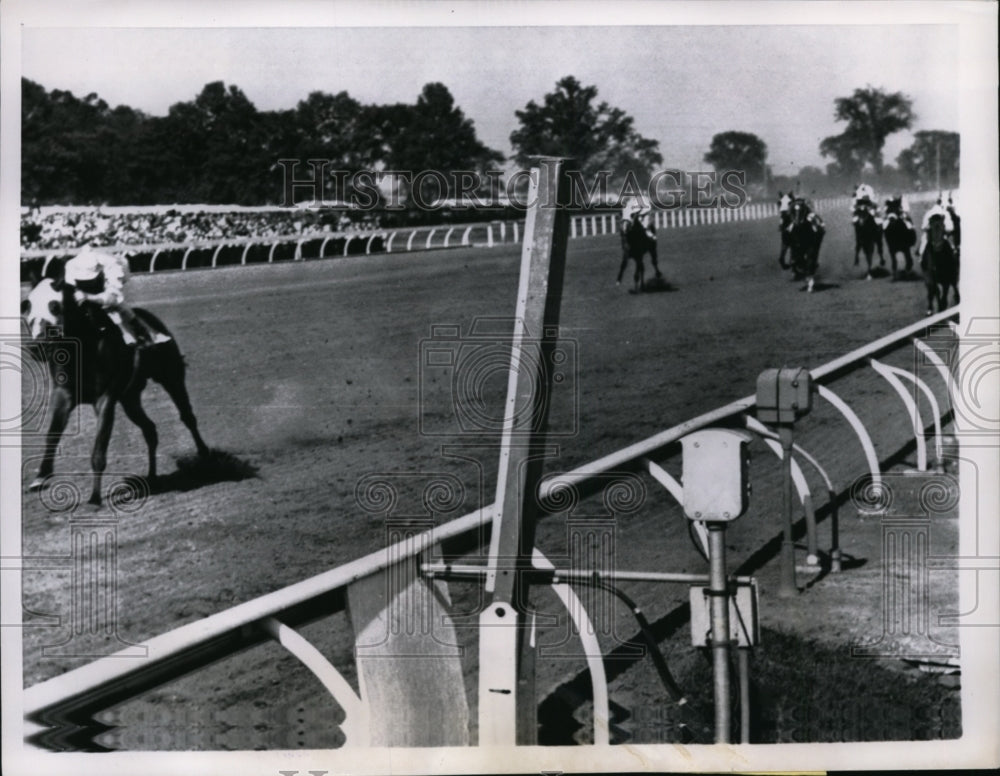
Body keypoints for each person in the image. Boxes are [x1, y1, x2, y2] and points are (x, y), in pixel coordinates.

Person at [63, 247, 161, 346]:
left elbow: (111, 299)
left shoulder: (113, 268)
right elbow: (70, 286)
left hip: (106, 297)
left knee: (118, 307)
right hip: (88, 298)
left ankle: (142, 332)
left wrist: (87, 297)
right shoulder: (71, 266)